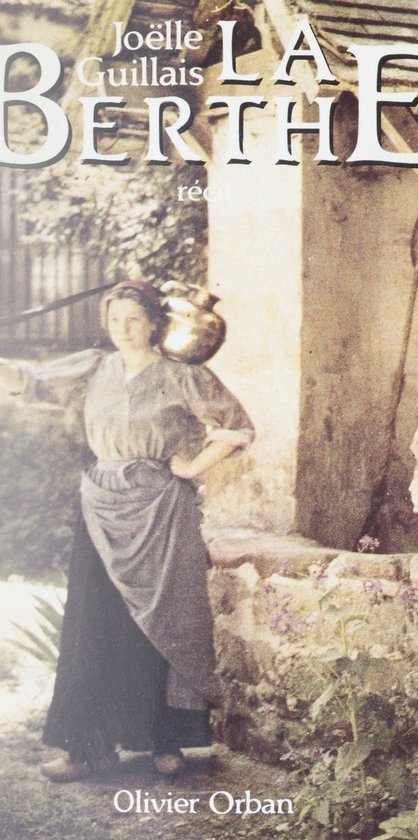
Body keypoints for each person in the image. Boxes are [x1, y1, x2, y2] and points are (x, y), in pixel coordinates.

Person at [0, 279, 254, 782]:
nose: (124, 329)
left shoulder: (182, 375)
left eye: (135, 319)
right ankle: (86, 750)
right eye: (115, 320)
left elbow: (237, 427)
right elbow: (28, 381)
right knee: (91, 622)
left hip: (161, 511)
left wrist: (191, 467)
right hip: (101, 505)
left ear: (155, 324)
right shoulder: (95, 368)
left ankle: (165, 742)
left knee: (163, 621)